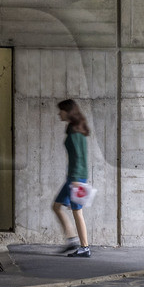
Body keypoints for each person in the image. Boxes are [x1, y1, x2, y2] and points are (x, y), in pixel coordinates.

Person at [53, 99, 91, 257]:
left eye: (61, 110)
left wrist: (76, 180)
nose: (58, 113)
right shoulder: (75, 130)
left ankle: (85, 247)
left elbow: (78, 158)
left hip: (76, 178)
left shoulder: (75, 133)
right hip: (74, 177)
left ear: (68, 112)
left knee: (77, 211)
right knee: (56, 206)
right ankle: (71, 240)